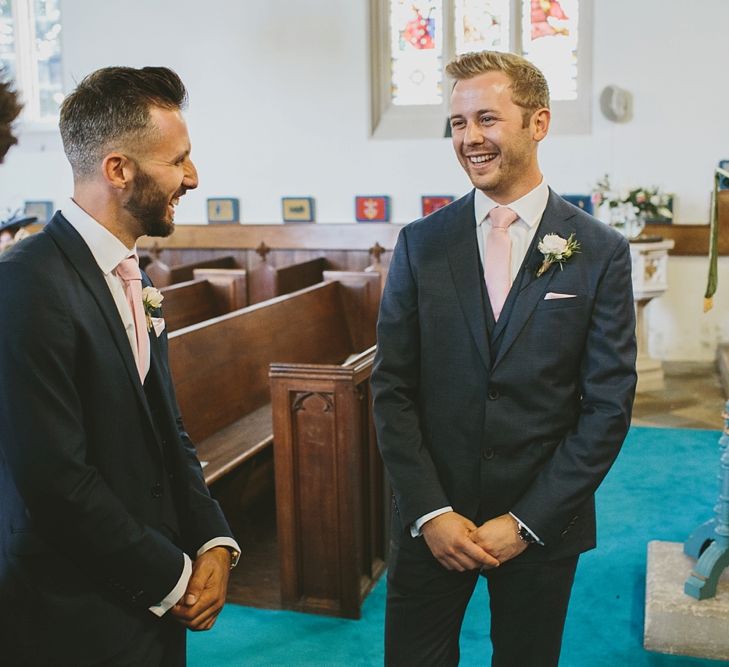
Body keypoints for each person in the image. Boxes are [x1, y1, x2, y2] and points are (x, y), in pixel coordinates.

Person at [371, 50, 637, 667]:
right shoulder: (420, 244)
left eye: (486, 118)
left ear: (538, 123)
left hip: (542, 520)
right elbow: (392, 389)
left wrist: (525, 522)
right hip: (432, 519)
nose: (469, 139)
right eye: (458, 123)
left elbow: (606, 407)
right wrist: (432, 511)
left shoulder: (598, 252)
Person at [0, 66, 240, 666]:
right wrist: (171, 576)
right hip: (71, 606)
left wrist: (212, 538)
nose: (192, 177)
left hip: (147, 596)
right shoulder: (26, 285)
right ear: (118, 170)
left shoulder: (137, 277)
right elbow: (55, 480)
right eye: (177, 161)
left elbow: (167, 429)